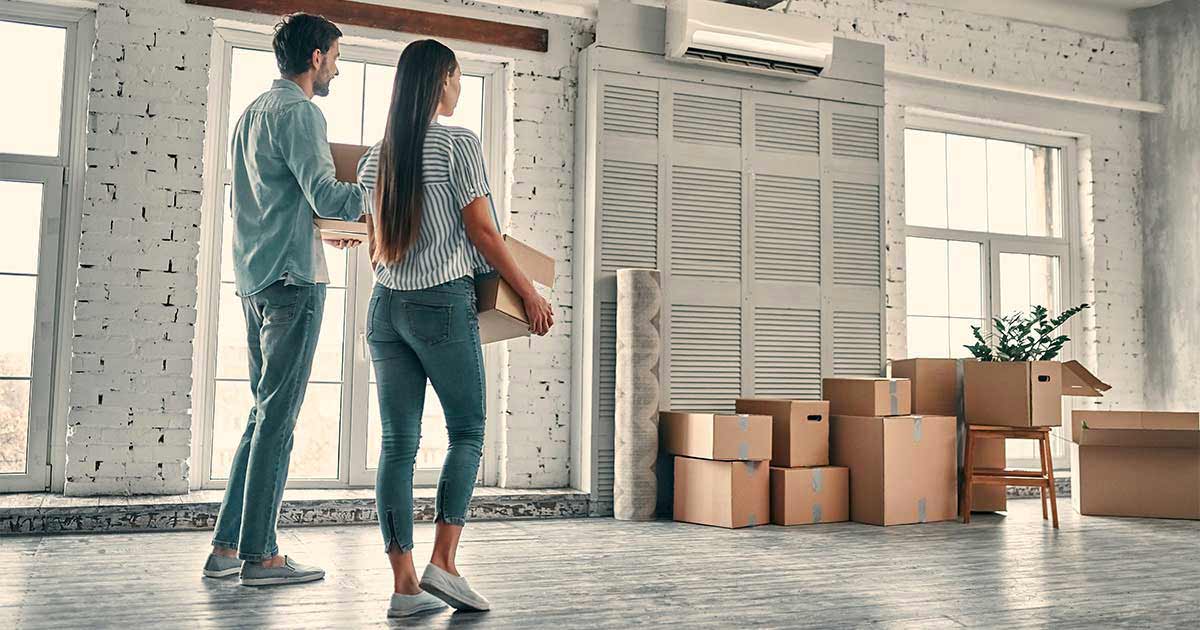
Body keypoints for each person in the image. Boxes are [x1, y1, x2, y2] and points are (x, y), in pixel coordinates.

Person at [356, 39, 553, 617]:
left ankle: (404, 588)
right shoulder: (458, 143)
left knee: (397, 445)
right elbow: (485, 234)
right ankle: (444, 562)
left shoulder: (379, 155)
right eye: (458, 75)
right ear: (441, 80)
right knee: (467, 429)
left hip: (385, 308)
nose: (461, 86)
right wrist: (528, 292)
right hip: (440, 304)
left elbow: (373, 240)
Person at [202, 13, 366, 587]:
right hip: (295, 280)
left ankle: (226, 547)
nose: (338, 68)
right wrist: (379, 177)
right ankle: (262, 555)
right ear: (317, 56)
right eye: (337, 56)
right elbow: (329, 194)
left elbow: (274, 202)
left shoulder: (251, 115)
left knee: (261, 414)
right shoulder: (301, 113)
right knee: (278, 416)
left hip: (255, 277)